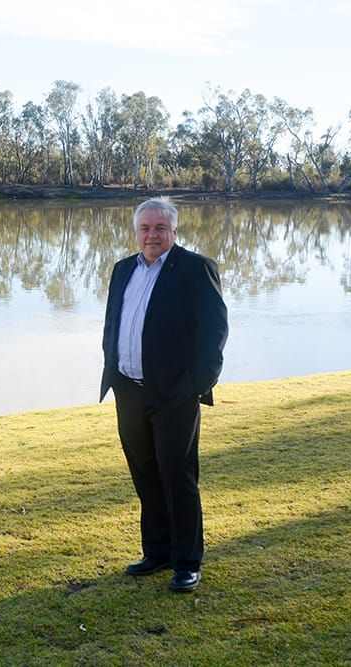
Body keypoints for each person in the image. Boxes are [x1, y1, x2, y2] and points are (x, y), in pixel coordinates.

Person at [100, 197, 228, 593]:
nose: (152, 235)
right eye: (145, 228)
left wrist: (195, 385)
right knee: (145, 475)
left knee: (178, 477)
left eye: (160, 228)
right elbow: (114, 324)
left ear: (174, 231)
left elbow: (214, 334)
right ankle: (157, 552)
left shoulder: (195, 268)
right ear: (136, 231)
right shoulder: (123, 269)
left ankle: (187, 561)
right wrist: (112, 370)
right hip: (128, 390)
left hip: (175, 395)